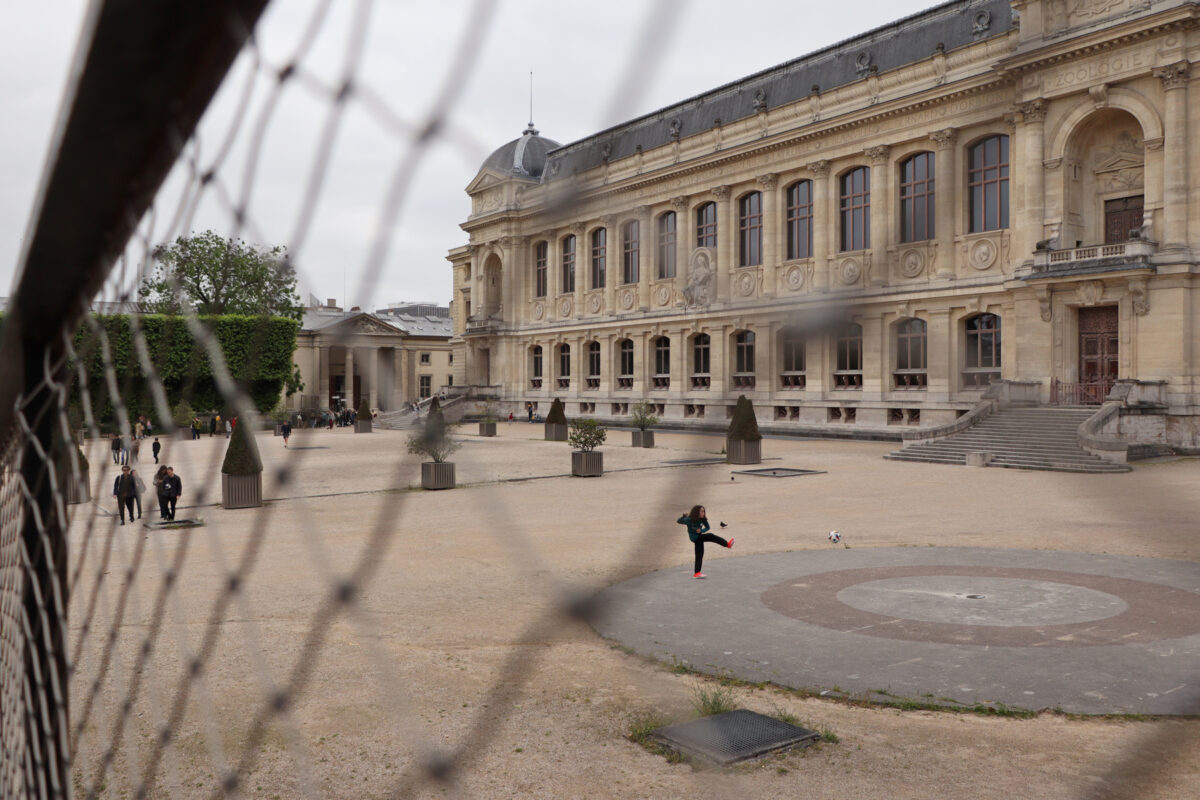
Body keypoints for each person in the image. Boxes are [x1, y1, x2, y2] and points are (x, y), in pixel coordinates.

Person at [677, 505, 732, 579]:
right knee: (710, 536)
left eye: (704, 511)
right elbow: (678, 521)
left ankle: (697, 573)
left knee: (699, 554)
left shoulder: (703, 519)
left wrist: (701, 530)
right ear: (697, 512)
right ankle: (727, 544)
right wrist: (683, 517)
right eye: (701, 511)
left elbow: (708, 527)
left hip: (699, 537)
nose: (703, 512)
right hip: (694, 538)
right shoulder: (689, 519)